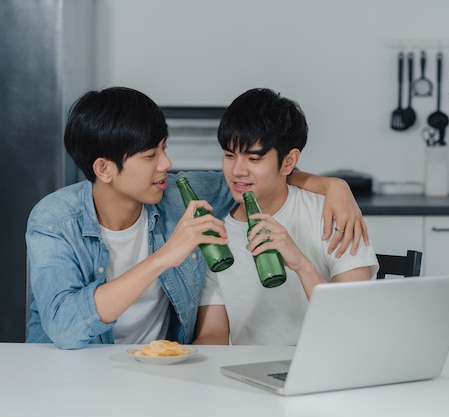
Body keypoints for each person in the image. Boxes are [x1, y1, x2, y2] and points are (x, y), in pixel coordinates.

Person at [25, 86, 368, 350]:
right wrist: (164, 257)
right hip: (70, 372)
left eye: (164, 148)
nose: (167, 164)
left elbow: (252, 179)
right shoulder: (54, 221)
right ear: (104, 169)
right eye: (150, 156)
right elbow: (64, 327)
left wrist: (333, 185)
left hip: (159, 372)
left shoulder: (174, 194)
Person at [194, 88, 379, 346]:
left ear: (289, 161)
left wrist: (302, 265)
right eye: (229, 155)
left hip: (329, 366)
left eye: (254, 158)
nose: (237, 170)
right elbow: (211, 335)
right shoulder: (215, 234)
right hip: (246, 375)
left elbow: (353, 325)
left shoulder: (334, 215)